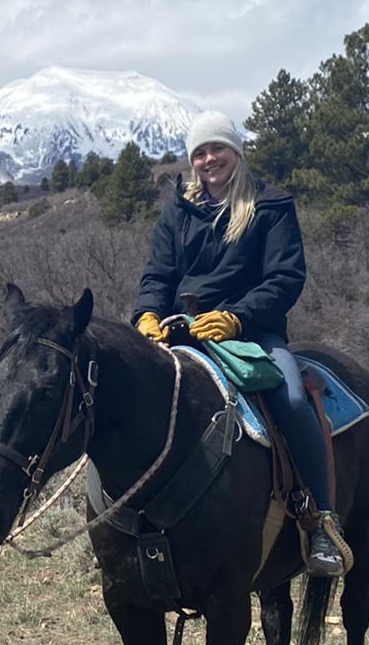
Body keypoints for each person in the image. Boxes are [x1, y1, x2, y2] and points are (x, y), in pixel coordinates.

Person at [132, 112, 348, 576]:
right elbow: (158, 275)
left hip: (253, 330)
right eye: (200, 153)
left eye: (217, 149)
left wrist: (236, 317)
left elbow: (285, 277)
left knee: (291, 396)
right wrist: (146, 315)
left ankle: (320, 522)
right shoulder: (178, 211)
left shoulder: (271, 206)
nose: (209, 159)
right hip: (181, 328)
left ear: (237, 152)